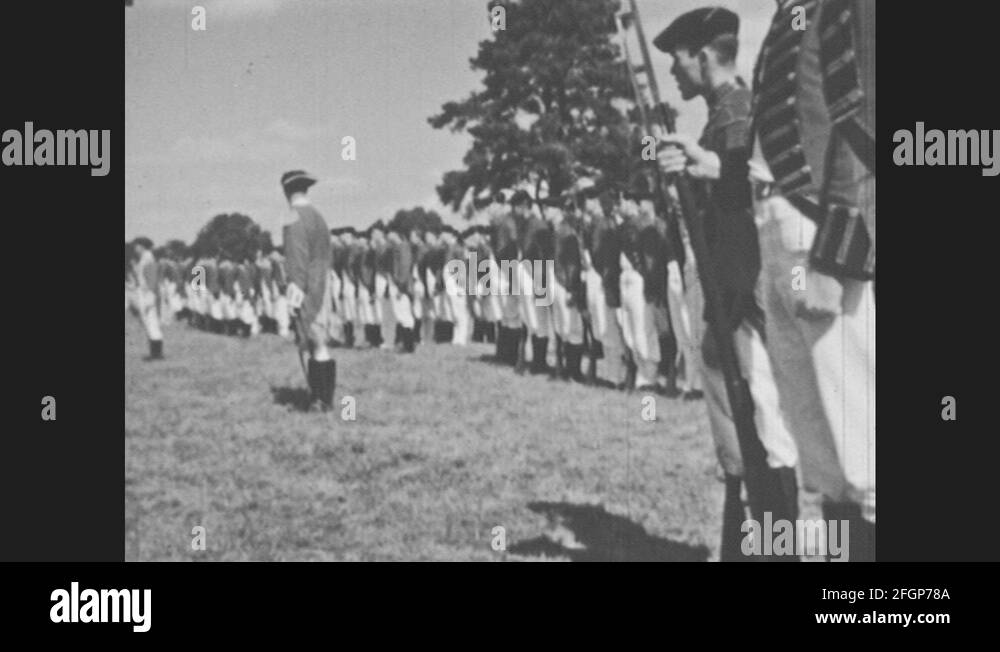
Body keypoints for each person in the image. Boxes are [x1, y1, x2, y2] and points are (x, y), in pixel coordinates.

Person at [656, 5, 803, 559]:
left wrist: (733, 306)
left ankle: (775, 549)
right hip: (727, 289)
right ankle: (751, 546)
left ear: (702, 54)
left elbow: (744, 220)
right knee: (744, 432)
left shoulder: (735, 114)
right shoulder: (722, 115)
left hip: (737, 291)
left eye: (677, 58)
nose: (673, 69)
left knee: (761, 424)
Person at [751, 0, 875, 559]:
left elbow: (863, 122)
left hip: (817, 232)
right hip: (778, 227)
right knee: (820, 448)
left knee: (862, 441)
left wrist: (836, 255)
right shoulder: (789, 14)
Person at [280, 169, 336, 411]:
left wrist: (293, 298)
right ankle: (325, 399)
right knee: (321, 342)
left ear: (286, 192)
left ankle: (319, 400)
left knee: (316, 342)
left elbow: (297, 261)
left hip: (308, 287)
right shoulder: (318, 216)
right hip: (323, 282)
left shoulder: (294, 217)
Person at [131, 237, 164, 360]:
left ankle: (156, 354)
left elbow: (151, 280)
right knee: (149, 323)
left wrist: (150, 297)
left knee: (152, 323)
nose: (135, 249)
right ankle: (154, 352)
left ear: (142, 246)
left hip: (148, 295)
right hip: (145, 294)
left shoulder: (148, 259)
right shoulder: (144, 259)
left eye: (136, 246)